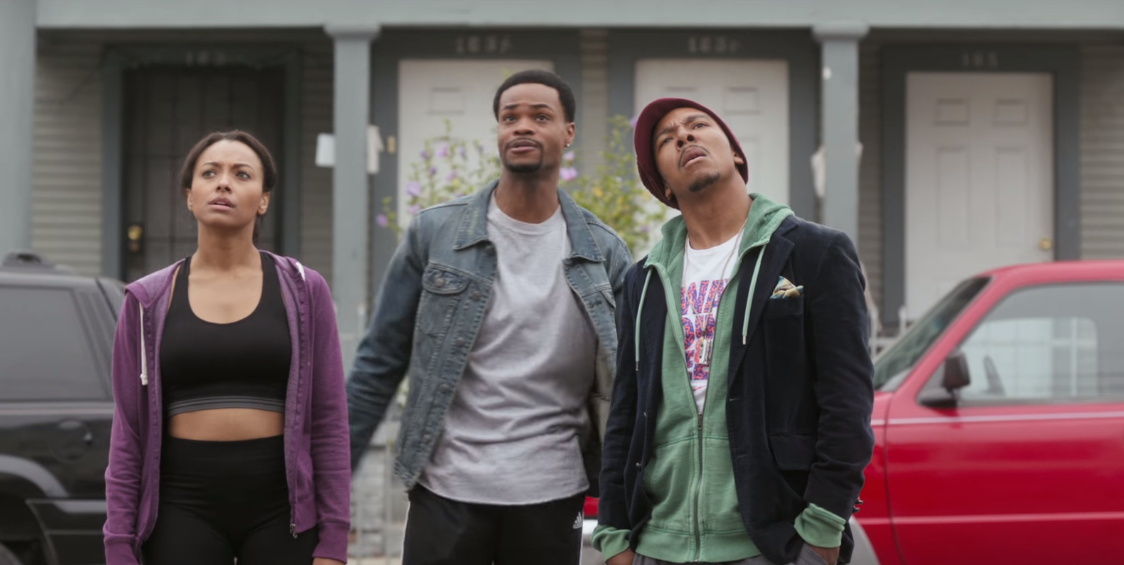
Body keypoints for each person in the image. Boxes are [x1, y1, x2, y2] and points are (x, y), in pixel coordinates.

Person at [346, 69, 631, 565]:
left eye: (540, 116)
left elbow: (633, 384)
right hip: (445, 489)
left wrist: (629, 501)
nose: (522, 126)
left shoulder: (604, 251)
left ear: (568, 132)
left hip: (552, 492)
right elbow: (378, 364)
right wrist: (330, 480)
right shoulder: (434, 234)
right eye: (509, 117)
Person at [592, 98, 874, 565]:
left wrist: (824, 524)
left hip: (773, 542)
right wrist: (615, 533)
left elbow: (847, 401)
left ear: (737, 154)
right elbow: (626, 410)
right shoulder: (643, 281)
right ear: (662, 183)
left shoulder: (814, 253)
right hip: (657, 544)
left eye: (698, 125)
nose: (684, 136)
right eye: (666, 140)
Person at [103, 130, 351, 565]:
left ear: (263, 200)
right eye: (209, 173)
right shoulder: (147, 301)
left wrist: (333, 540)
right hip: (180, 507)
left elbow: (329, 419)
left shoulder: (304, 291)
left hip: (283, 510)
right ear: (189, 195)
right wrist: (119, 543)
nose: (223, 183)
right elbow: (129, 433)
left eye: (242, 174)